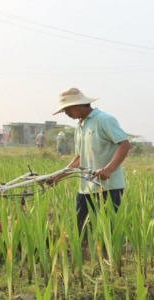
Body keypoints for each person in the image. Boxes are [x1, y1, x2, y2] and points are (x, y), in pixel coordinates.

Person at [51, 87, 131, 237]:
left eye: (68, 109)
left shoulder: (104, 119)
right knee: (81, 230)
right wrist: (59, 175)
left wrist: (109, 169)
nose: (66, 113)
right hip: (85, 187)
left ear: (80, 105)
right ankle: (84, 256)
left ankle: (107, 257)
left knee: (106, 231)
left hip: (108, 186)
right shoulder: (79, 127)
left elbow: (124, 144)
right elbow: (79, 157)